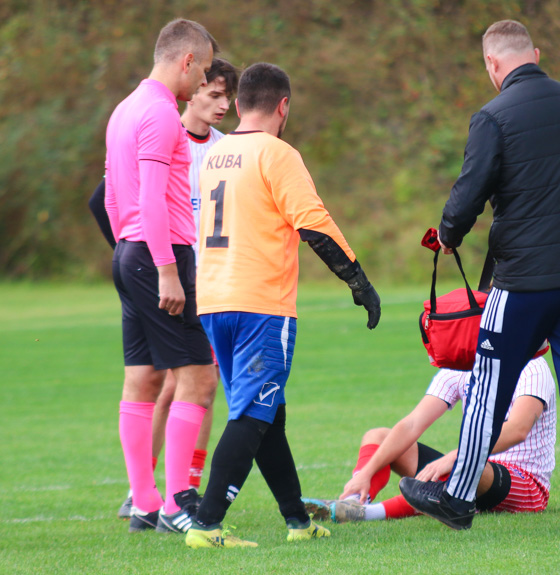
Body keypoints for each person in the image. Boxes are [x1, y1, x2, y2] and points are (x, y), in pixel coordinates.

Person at [399, 20, 560, 538]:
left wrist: (448, 233)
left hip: (524, 277)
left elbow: (470, 190)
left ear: (492, 65)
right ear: (535, 54)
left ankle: (457, 497)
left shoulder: (492, 117)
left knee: (488, 386)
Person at [184, 62, 381, 549]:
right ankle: (206, 525)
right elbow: (314, 223)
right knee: (253, 413)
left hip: (213, 301)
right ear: (283, 106)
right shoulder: (277, 153)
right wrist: (358, 279)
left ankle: (297, 520)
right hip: (260, 306)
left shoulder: (215, 154)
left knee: (270, 413)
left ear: (242, 101)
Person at [91, 57, 241, 522]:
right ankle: (171, 499)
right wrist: (153, 262)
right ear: (190, 78)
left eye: (225, 96)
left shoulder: (224, 148)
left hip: (183, 270)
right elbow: (115, 198)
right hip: (167, 264)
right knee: (188, 380)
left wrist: (128, 255)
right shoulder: (161, 124)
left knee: (171, 381)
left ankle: (158, 496)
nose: (219, 102)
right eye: (210, 90)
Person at [302, 354, 556, 524]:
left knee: (464, 466)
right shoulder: (462, 364)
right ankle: (351, 503)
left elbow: (517, 429)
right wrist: (366, 472)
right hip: (471, 465)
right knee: (378, 437)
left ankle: (370, 514)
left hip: (525, 485)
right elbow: (412, 424)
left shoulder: (532, 365)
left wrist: (456, 456)